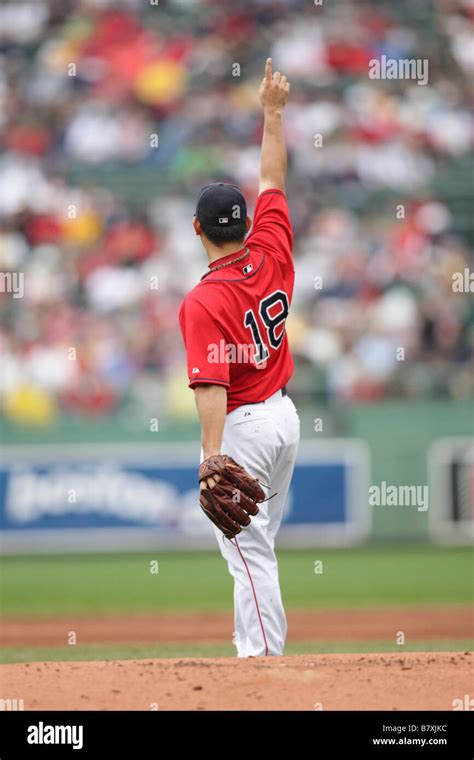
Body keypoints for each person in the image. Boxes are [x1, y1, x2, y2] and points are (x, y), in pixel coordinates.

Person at [179, 59, 300, 657]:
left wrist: (211, 456)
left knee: (248, 551)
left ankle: (261, 665)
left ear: (196, 229)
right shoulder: (273, 245)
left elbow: (211, 388)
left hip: (246, 424)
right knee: (258, 544)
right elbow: (272, 176)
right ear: (247, 222)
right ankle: (254, 645)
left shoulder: (204, 300)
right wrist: (272, 113)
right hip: (285, 418)